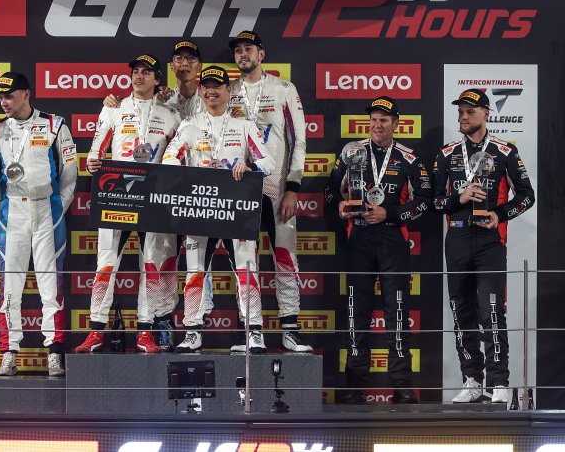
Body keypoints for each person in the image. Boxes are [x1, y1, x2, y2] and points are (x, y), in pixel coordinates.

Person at [324, 96, 431, 404]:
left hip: (392, 238)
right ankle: (354, 385)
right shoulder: (351, 152)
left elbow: (425, 201)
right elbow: (329, 190)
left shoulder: (410, 158)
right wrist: (340, 204)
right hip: (358, 237)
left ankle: (402, 385)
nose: (377, 124)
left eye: (383, 120)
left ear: (396, 124)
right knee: (356, 311)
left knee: (397, 311)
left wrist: (391, 213)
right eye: (373, 119)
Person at [162, 65, 275, 353]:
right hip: (200, 207)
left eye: (218, 86)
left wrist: (249, 167)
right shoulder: (189, 125)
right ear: (201, 91)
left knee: (247, 270)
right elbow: (169, 159)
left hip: (236, 209)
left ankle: (254, 332)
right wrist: (185, 176)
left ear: (228, 90)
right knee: (195, 271)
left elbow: (269, 163)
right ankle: (192, 331)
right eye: (207, 86)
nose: (212, 91)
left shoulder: (244, 125)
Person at [433, 88, 535, 404]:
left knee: (491, 310)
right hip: (457, 240)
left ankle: (499, 381)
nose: (463, 117)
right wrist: (459, 198)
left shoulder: (505, 152)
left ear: (486, 114)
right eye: (460, 112)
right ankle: (473, 379)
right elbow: (434, 202)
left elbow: (527, 195)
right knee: (461, 312)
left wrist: (499, 214)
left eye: (470, 112)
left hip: (490, 242)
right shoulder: (446, 154)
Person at [74, 54, 182, 354]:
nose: (138, 76)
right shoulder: (114, 108)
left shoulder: (171, 114)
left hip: (153, 199)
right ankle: (96, 330)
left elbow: (180, 156)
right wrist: (93, 162)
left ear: (158, 79)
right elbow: (96, 149)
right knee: (106, 263)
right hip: (117, 195)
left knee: (151, 265)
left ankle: (144, 331)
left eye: (146, 72)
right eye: (135, 71)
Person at [0, 72, 77, 377]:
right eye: (0, 97)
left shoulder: (55, 125)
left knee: (51, 285)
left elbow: (69, 175)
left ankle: (55, 352)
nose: (3, 102)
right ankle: (9, 352)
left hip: (47, 210)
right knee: (10, 285)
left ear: (26, 94)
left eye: (9, 96)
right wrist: (12, 201)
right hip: (13, 212)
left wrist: (56, 208)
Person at [227, 30, 312, 353]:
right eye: (238, 50)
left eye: (248, 48)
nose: (243, 54)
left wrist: (293, 187)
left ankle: (290, 329)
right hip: (239, 189)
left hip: (276, 189)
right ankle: (253, 331)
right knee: (245, 262)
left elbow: (299, 140)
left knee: (285, 257)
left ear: (261, 54)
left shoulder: (283, 89)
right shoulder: (227, 91)